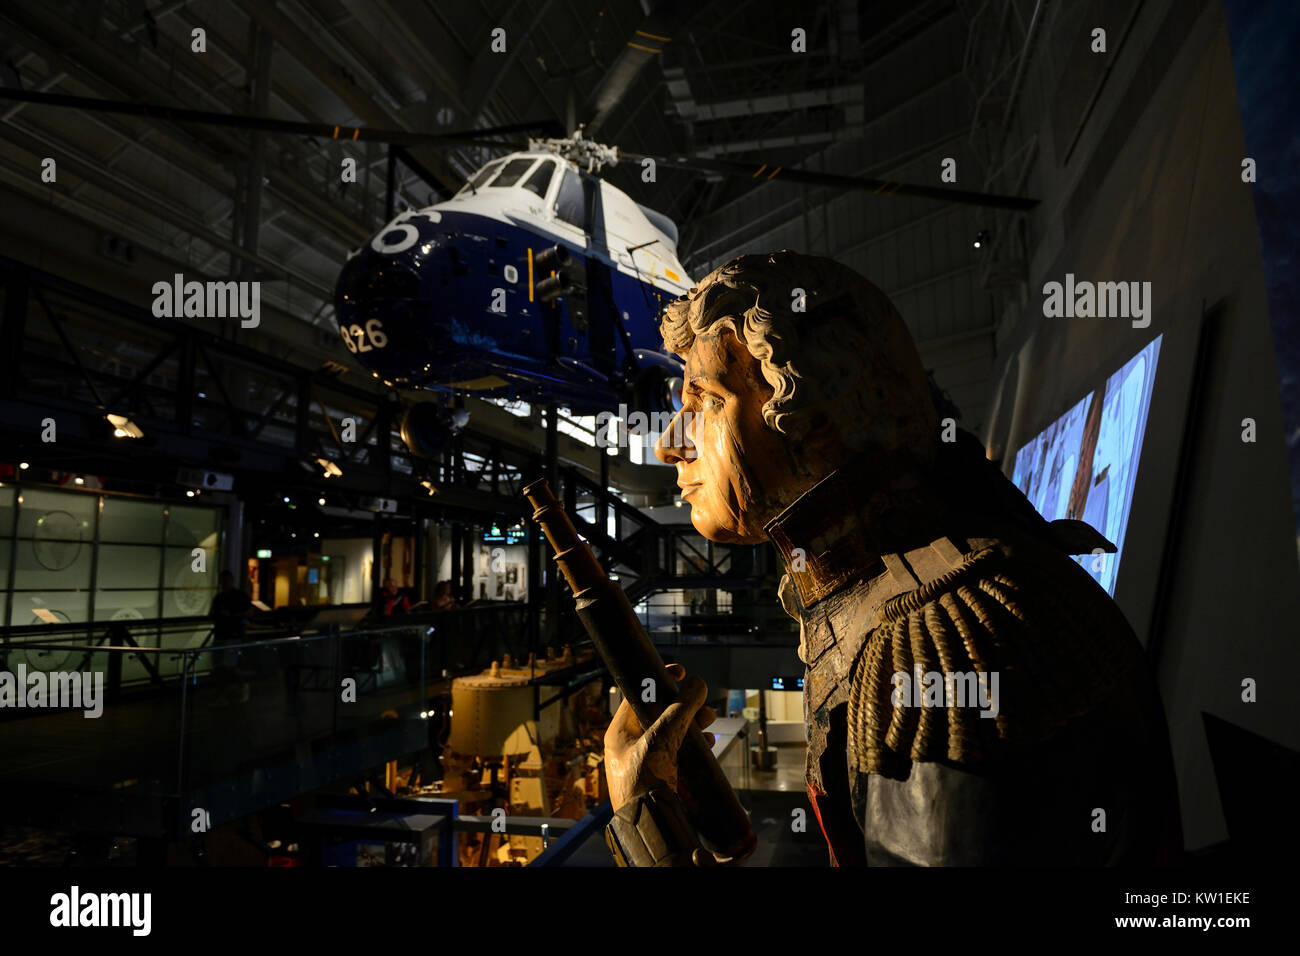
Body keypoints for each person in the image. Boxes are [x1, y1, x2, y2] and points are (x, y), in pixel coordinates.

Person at [602, 251, 1182, 867]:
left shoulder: (946, 651)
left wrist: (650, 837)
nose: (671, 444)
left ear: (818, 412)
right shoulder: (905, 589)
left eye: (708, 402)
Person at [209, 569, 253, 704]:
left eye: (226, 580)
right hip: (223, 634)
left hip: (232, 634)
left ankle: (238, 686)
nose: (224, 583)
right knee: (220, 665)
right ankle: (226, 692)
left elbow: (249, 612)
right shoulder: (220, 597)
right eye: (223, 581)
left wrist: (233, 617)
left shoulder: (237, 596)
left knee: (228, 665)